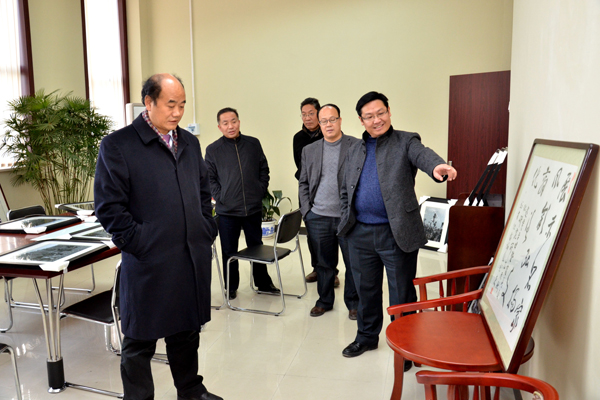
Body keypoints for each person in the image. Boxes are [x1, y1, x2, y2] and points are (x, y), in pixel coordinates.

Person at [94, 73, 222, 400]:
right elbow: (109, 208)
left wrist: (205, 229)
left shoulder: (189, 142)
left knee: (186, 331)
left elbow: (203, 192)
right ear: (148, 103)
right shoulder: (119, 145)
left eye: (182, 105)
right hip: (149, 261)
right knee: (140, 341)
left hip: (190, 256)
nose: (177, 112)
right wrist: (141, 243)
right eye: (170, 104)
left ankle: (191, 391)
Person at [338, 91, 457, 368]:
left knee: (401, 293)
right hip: (360, 233)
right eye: (369, 116)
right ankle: (367, 337)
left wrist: (436, 166)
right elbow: (345, 188)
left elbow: (423, 155)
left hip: (396, 232)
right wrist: (346, 216)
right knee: (366, 290)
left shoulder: (406, 140)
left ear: (389, 111)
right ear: (361, 120)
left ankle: (405, 346)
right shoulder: (354, 149)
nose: (376, 120)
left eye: (380, 113)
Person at [205, 107, 279, 300]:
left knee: (257, 247)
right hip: (227, 212)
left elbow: (264, 169)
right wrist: (221, 197)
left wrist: (260, 190)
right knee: (229, 251)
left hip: (252, 208)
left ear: (239, 122)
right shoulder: (213, 150)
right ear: (219, 127)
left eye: (234, 121)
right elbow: (210, 179)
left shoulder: (253, 144)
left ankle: (263, 283)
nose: (230, 126)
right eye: (225, 123)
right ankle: (231, 287)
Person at [299, 104, 360, 319]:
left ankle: (354, 303)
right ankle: (324, 301)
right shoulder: (309, 150)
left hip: (348, 217)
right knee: (324, 264)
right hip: (318, 216)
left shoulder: (356, 146)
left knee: (353, 263)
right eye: (324, 121)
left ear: (340, 120)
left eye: (332, 119)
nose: (328, 124)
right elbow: (303, 182)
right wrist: (307, 212)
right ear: (319, 124)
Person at [293, 97, 338, 287]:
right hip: (309, 191)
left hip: (330, 192)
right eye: (304, 114)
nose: (307, 118)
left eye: (311, 113)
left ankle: (332, 272)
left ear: (319, 115)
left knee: (332, 236)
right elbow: (301, 166)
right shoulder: (298, 138)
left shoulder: (328, 133)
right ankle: (317, 268)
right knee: (314, 235)